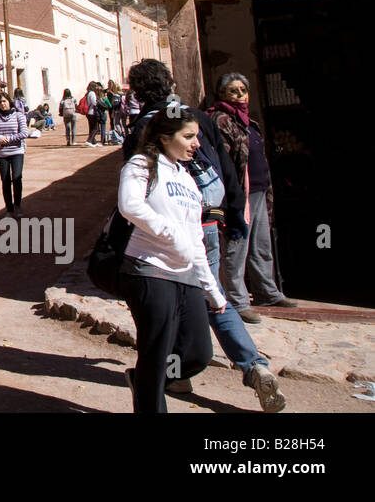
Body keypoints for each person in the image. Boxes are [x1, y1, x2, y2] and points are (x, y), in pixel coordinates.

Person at [121, 60, 284, 410]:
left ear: (137, 90)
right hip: (173, 245)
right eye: (188, 139)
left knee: (202, 301)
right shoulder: (193, 120)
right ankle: (250, 363)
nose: (194, 143)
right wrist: (234, 212)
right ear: (169, 82)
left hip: (190, 233)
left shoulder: (150, 134)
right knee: (192, 306)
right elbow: (226, 167)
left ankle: (178, 372)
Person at [117, 108, 226, 413]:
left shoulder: (187, 179)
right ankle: (150, 399)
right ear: (165, 138)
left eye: (197, 137)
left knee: (197, 353)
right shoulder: (141, 165)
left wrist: (212, 289)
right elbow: (129, 205)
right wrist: (169, 232)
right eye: (188, 136)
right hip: (148, 268)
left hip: (187, 273)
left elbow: (195, 240)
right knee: (157, 349)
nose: (196, 144)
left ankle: (144, 380)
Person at [206, 73, 297, 318]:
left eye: (243, 90)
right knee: (237, 245)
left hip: (258, 190)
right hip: (239, 195)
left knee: (261, 244)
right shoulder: (221, 120)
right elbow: (222, 162)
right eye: (233, 91)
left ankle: (267, 291)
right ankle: (238, 300)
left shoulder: (247, 121)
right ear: (222, 94)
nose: (240, 95)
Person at [0, 92, 28, 217]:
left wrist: (8, 139)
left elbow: (24, 133)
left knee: (17, 178)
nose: (3, 104)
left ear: (9, 101)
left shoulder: (19, 116)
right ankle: (9, 209)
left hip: (16, 151)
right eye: (0, 102)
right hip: (1, 153)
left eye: (4, 101)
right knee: (5, 180)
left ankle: (18, 205)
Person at [85, 81, 103, 147]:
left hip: (89, 112)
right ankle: (89, 140)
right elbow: (94, 103)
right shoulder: (92, 93)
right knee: (96, 128)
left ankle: (93, 141)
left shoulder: (87, 93)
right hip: (92, 112)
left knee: (92, 128)